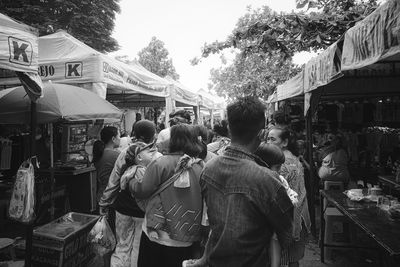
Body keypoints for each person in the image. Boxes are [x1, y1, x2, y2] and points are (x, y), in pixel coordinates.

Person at [189, 96, 294, 267]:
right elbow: (286, 233)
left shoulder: (208, 169)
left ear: (229, 129)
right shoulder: (268, 180)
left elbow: (215, 227)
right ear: (262, 133)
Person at [133, 124, 204, 267]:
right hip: (187, 234)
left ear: (174, 140)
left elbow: (142, 190)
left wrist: (131, 181)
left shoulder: (160, 163)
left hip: (158, 233)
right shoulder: (200, 166)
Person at [99, 120, 160, 267]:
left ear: (134, 134)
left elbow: (114, 181)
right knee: (137, 248)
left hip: (123, 207)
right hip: (143, 210)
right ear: (153, 136)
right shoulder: (157, 157)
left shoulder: (125, 152)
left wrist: (104, 202)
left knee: (122, 245)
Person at [267, 126, 311, 267]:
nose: (268, 142)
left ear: (284, 142)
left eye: (273, 139)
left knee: (280, 259)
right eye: (267, 138)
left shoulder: (282, 162)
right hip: (300, 215)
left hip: (289, 218)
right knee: (293, 259)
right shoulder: (293, 158)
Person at [255, 143, 299, 267]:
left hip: (274, 223)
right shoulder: (254, 180)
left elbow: (290, 193)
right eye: (277, 167)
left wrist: (292, 198)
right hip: (260, 225)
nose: (279, 170)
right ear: (264, 165)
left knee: (275, 239)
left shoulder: (280, 179)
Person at [93, 126, 121, 203]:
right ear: (113, 139)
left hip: (102, 194)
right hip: (112, 196)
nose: (120, 139)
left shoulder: (100, 153)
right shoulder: (116, 155)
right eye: (119, 136)